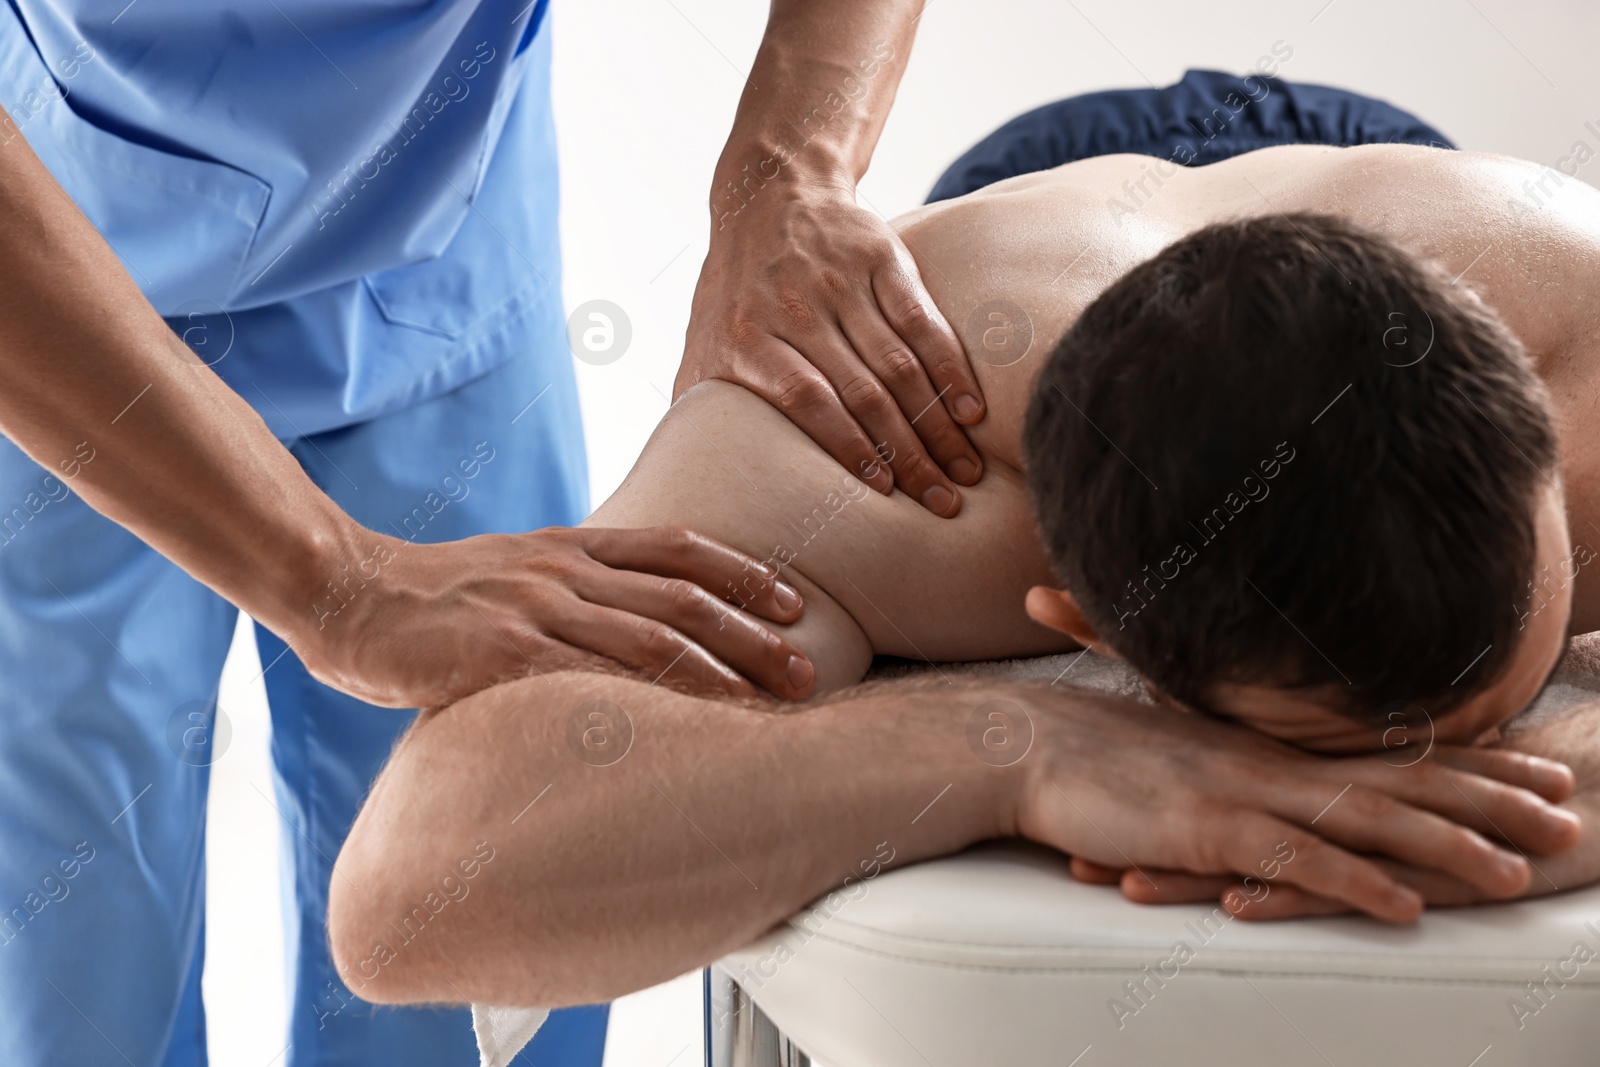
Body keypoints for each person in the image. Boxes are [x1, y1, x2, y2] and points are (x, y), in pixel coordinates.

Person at [325, 72, 1600, 1012]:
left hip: (1385, 191)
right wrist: (1011, 746)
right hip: (1014, 250)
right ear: (1086, 620)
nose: (1453, 760)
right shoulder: (865, 463)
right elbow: (404, 901)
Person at [0, 1, 982, 1062]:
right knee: (78, 956)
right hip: (56, 269)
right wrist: (337, 584)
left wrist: (792, 166)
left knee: (490, 897)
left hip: (439, 254)